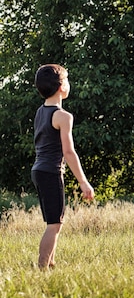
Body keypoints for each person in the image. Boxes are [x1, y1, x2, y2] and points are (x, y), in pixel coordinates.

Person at [31, 64, 95, 269]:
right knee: (54, 224)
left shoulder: (40, 112)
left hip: (39, 170)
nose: (69, 84)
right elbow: (69, 152)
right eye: (67, 80)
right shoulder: (63, 116)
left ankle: (50, 264)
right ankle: (42, 268)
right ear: (61, 87)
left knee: (53, 220)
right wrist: (83, 182)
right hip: (50, 172)